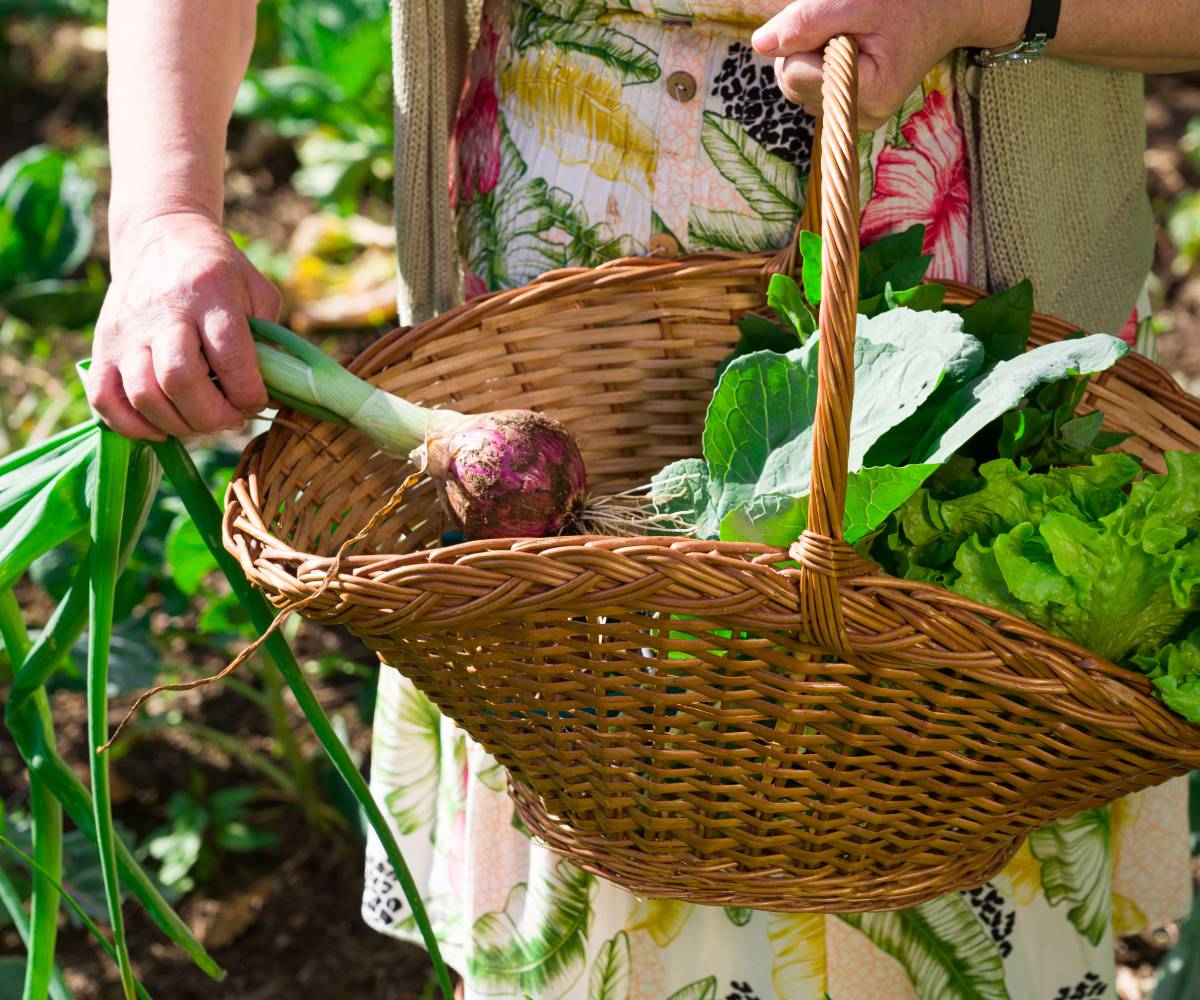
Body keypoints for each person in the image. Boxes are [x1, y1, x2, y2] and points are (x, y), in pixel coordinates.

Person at [94, 1, 1200, 996]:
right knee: (602, 823)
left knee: (904, 817)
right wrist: (163, 214)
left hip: (951, 330)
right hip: (544, 343)